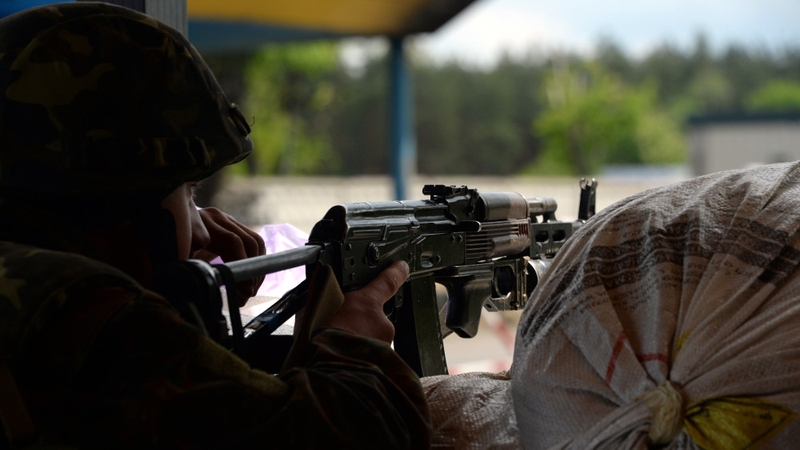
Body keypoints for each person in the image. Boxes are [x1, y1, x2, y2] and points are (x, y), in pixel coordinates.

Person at [0, 3, 430, 449]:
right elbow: (353, 432)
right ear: (126, 201)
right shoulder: (90, 317)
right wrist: (355, 345)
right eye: (188, 190)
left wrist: (167, 227)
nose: (202, 224)